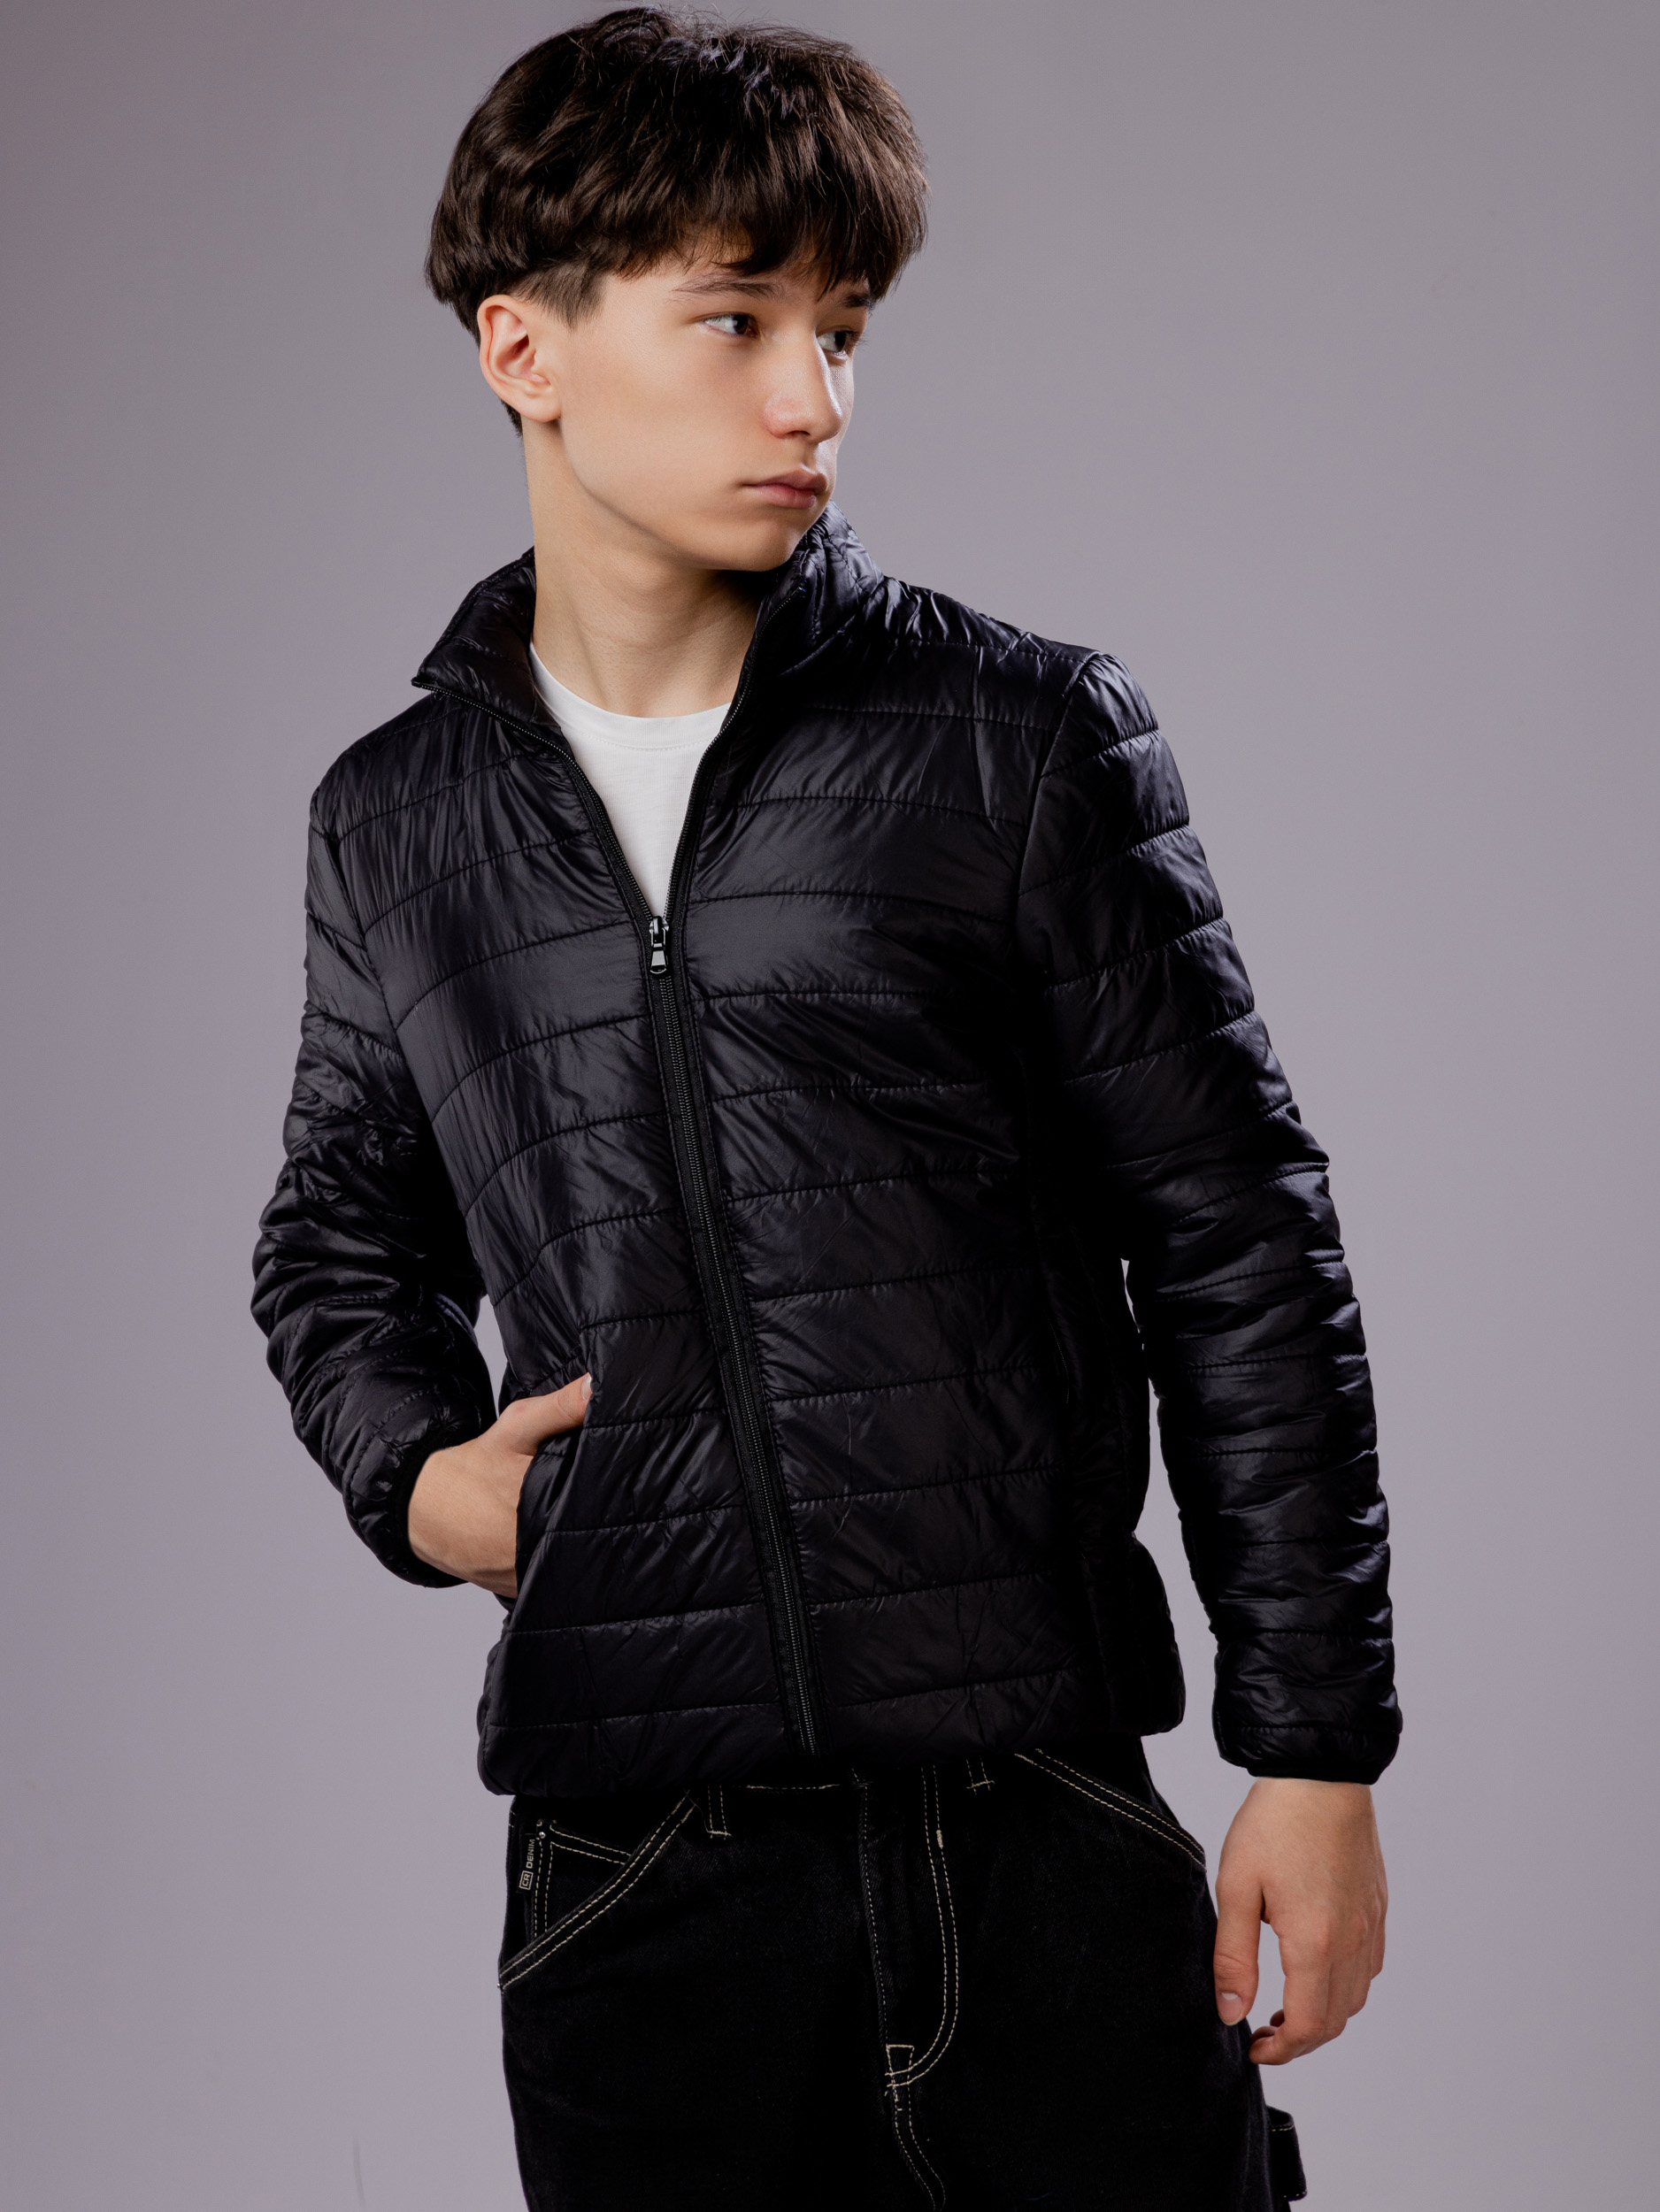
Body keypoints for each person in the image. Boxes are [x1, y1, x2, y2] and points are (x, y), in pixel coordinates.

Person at [252, 12, 1397, 2208]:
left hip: (1036, 1818)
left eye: (842, 328)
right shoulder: (395, 821)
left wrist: (1311, 1745)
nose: (813, 397)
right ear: (524, 347)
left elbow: (1238, 1234)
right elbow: (334, 1237)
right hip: (636, 1878)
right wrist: (415, 1478)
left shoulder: (1014, 737)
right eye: (736, 319)